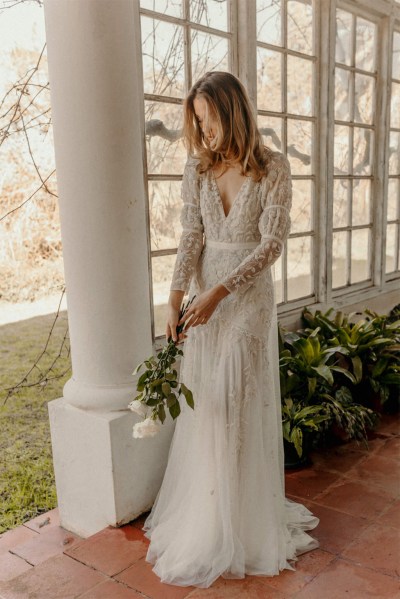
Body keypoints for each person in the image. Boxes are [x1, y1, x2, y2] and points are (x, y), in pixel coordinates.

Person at [142, 71, 319, 588]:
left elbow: (271, 246)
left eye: (209, 118)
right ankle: (210, 514)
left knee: (232, 400)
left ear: (232, 111)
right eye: (197, 121)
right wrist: (176, 299)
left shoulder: (274, 169)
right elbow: (190, 236)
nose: (204, 130)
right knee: (208, 407)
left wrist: (220, 293)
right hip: (203, 306)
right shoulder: (197, 171)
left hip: (244, 302)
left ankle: (241, 522)